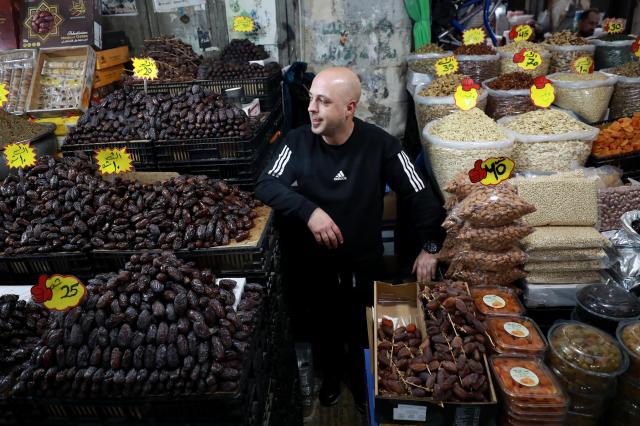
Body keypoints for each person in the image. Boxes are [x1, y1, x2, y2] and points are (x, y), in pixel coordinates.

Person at [254, 67, 445, 409]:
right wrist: (310, 211)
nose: (311, 107)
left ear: (349, 108)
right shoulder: (297, 142)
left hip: (363, 259)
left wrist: (430, 246)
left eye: (323, 101)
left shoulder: (381, 144)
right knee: (323, 322)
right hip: (316, 262)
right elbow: (267, 184)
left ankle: (361, 377)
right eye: (311, 98)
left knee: (361, 325)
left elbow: (420, 193)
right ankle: (331, 374)